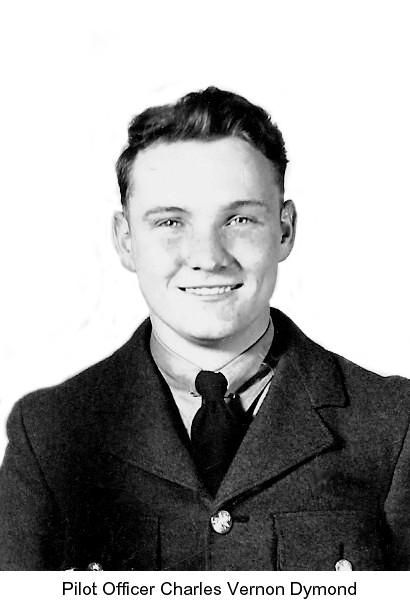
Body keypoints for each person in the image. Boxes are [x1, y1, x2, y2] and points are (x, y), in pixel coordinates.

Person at [0, 87, 409, 571]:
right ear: (126, 240)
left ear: (285, 230)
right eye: (171, 222)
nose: (208, 258)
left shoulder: (393, 426)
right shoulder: (50, 432)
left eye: (239, 219)